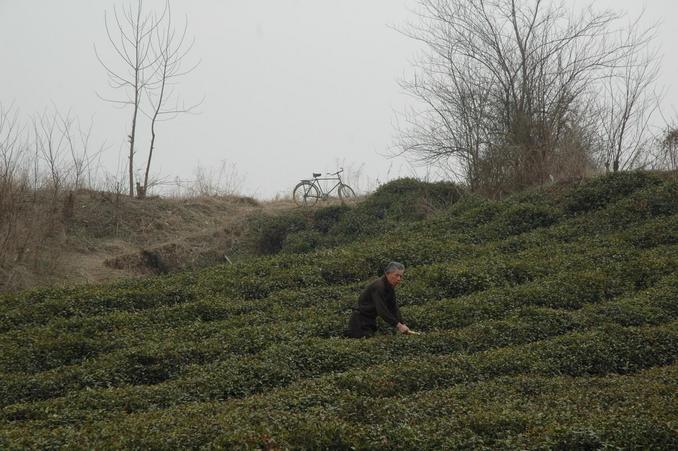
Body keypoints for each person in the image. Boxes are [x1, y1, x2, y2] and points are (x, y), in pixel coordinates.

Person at [346, 261, 413, 338]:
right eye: (396, 275)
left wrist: (402, 323)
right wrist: (398, 325)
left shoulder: (390, 287)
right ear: (388, 273)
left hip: (370, 320)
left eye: (401, 276)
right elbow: (381, 310)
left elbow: (393, 307)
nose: (399, 279)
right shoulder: (379, 286)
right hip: (359, 322)